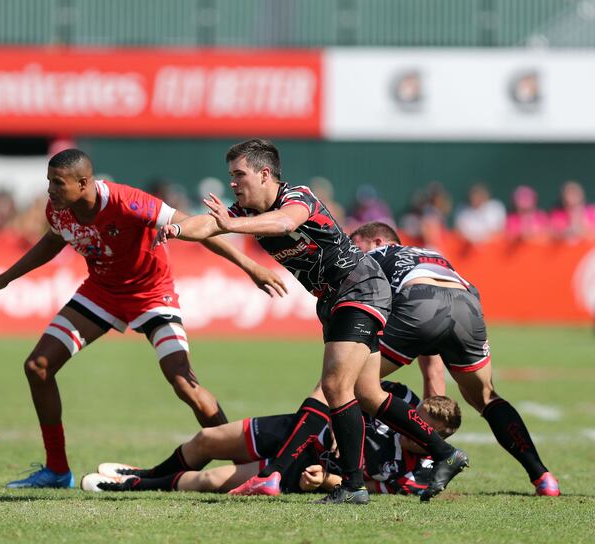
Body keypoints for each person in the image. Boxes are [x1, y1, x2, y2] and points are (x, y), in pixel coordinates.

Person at [155, 139, 468, 504]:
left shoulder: (297, 197)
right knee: (364, 392)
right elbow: (207, 225)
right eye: (231, 176)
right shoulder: (242, 212)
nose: (234, 183)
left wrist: (232, 225)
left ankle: (353, 485)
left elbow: (284, 223)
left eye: (239, 174)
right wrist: (175, 230)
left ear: (264, 173)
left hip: (359, 288)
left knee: (334, 387)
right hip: (336, 301)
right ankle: (443, 453)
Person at [0, 148, 287, 489]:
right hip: (102, 293)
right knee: (37, 366)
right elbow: (52, 241)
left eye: (57, 183)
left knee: (183, 382)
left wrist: (250, 265)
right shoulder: (58, 209)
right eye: (49, 181)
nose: (49, 190)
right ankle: (57, 470)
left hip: (151, 294)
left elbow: (196, 227)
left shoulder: (127, 202)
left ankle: (248, 470)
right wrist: (4, 278)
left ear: (84, 183)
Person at [350, 221, 560, 496]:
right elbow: (433, 367)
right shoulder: (432, 254)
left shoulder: (375, 257)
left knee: (347, 381)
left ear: (378, 241)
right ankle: (542, 477)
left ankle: (345, 475)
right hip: (466, 302)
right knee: (486, 397)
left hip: (420, 300)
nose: (353, 252)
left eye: (356, 245)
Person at [81, 382, 462, 497]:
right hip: (298, 429)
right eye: (417, 422)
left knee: (210, 480)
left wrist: (326, 480)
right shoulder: (399, 399)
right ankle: (147, 471)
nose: (414, 431)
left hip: (303, 467)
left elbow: (381, 488)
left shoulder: (421, 470)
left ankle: (135, 485)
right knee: (206, 439)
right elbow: (347, 387)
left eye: (427, 433)